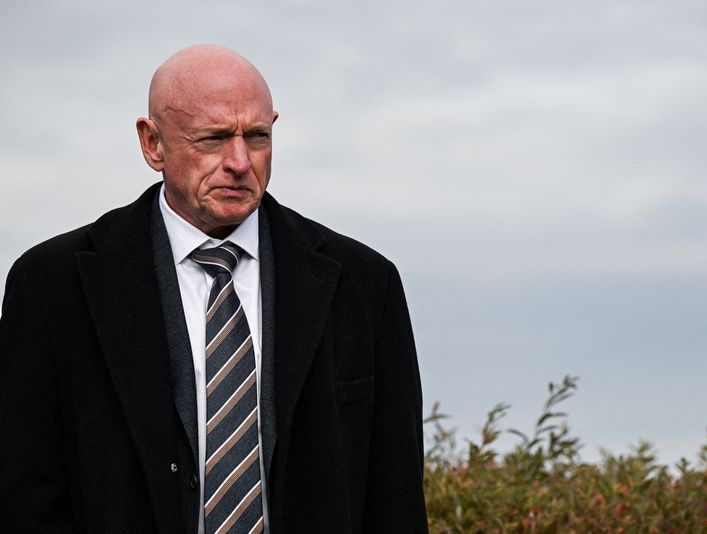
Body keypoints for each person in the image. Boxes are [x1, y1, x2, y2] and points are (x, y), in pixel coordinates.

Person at [0, 44, 428, 533]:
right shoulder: (52, 286)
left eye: (258, 136)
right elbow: (24, 494)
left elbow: (395, 497)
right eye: (214, 138)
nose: (240, 161)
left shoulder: (364, 284)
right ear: (152, 143)